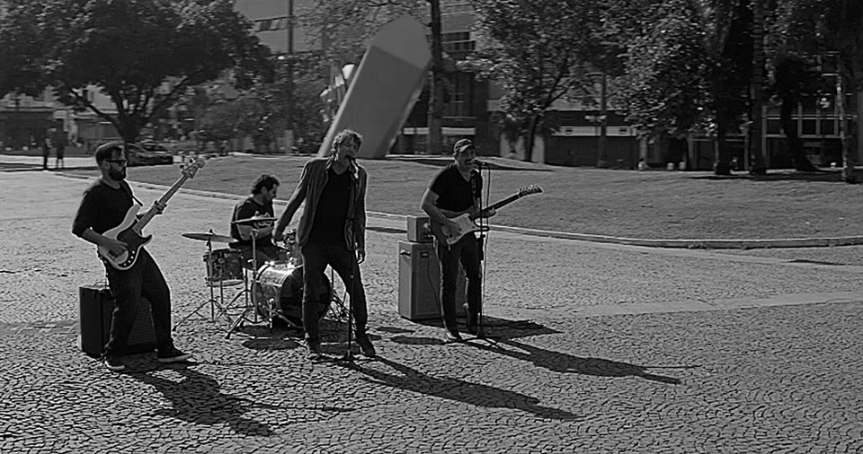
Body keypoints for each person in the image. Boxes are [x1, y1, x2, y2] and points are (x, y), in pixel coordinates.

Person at [72, 141, 191, 372]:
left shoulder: (124, 187)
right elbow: (80, 228)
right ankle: (113, 353)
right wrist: (109, 244)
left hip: (137, 250)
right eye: (120, 162)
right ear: (106, 165)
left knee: (160, 293)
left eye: (125, 161)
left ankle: (165, 348)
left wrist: (151, 212)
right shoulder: (94, 193)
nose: (125, 165)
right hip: (116, 256)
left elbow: (130, 222)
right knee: (128, 304)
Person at [274, 129, 375, 360]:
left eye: (354, 147)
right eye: (346, 145)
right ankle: (313, 340)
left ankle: (361, 334)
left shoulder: (359, 175)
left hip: (343, 242)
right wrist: (280, 227)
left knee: (356, 290)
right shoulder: (315, 168)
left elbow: (359, 211)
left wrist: (360, 241)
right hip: (314, 241)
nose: (350, 150)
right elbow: (297, 198)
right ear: (336, 147)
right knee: (311, 291)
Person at [420, 139, 496, 342]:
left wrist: (483, 214)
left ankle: (473, 320)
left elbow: (474, 209)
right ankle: (450, 327)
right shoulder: (445, 176)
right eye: (465, 154)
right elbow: (426, 204)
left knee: (475, 275)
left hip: (468, 233)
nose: (470, 158)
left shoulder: (476, 179)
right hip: (447, 233)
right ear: (456, 156)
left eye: (472, 154)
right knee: (450, 280)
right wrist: (448, 222)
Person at [229, 174, 282, 269]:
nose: (275, 196)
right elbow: (245, 235)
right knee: (269, 267)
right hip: (244, 249)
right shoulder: (245, 207)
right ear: (264, 190)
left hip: (265, 247)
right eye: (273, 192)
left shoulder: (268, 205)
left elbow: (268, 230)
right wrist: (269, 230)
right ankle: (258, 284)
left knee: (288, 260)